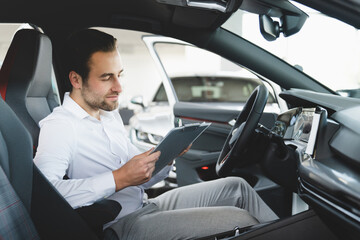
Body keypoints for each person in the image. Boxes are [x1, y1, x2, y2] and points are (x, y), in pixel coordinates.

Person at [34, 29, 278, 240]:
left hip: (145, 206)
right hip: (120, 225)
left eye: (119, 75)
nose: (118, 87)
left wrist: (165, 156)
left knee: (237, 188)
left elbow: (144, 180)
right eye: (107, 77)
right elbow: (46, 198)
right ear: (76, 79)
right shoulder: (59, 126)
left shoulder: (108, 115)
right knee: (241, 218)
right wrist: (118, 178)